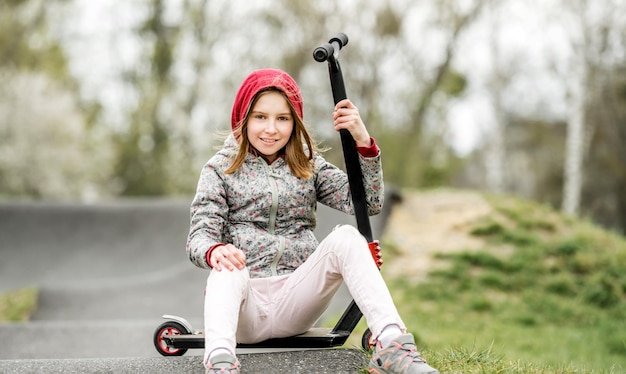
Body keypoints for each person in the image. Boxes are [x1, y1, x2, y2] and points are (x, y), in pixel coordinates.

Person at [186, 68, 439, 374]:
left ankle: (393, 345)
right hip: (245, 306)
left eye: (283, 118)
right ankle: (220, 362)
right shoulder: (218, 170)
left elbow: (367, 202)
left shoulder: (307, 164)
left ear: (295, 122)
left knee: (346, 236)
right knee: (227, 267)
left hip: (296, 300)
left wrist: (362, 140)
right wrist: (214, 251)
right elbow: (199, 237)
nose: (271, 129)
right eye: (260, 117)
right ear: (243, 118)